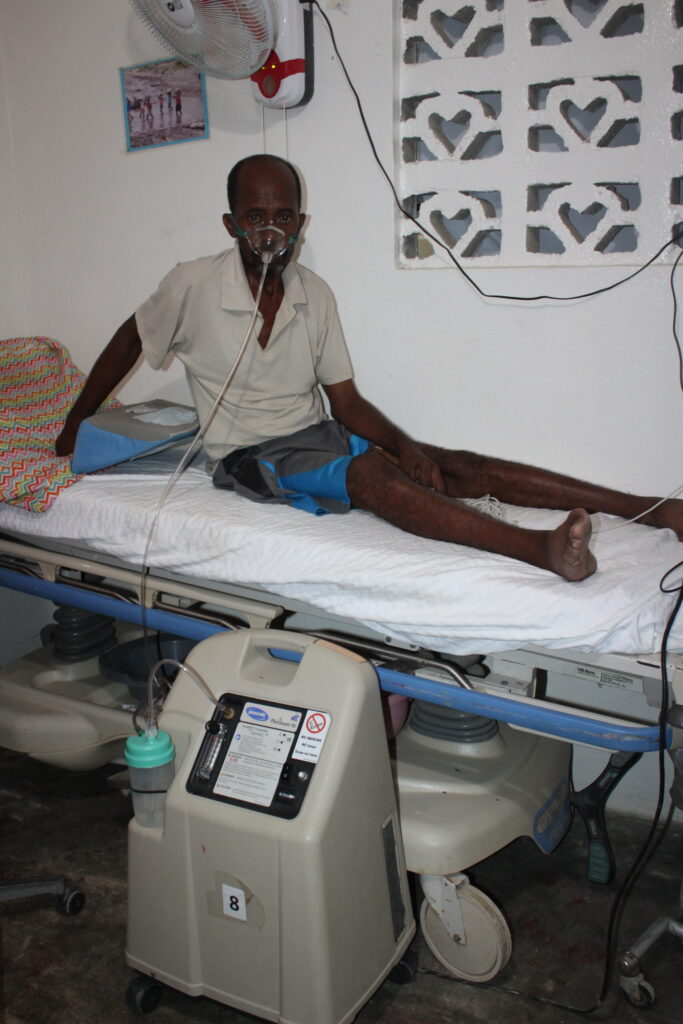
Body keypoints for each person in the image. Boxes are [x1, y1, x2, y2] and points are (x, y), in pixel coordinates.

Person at [55, 154, 683, 582]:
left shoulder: (314, 293)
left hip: (318, 434)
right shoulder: (192, 284)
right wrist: (76, 423)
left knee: (451, 464)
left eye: (283, 217)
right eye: (255, 217)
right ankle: (542, 551)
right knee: (369, 476)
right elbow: (129, 338)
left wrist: (409, 447)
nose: (270, 230)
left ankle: (651, 509)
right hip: (250, 456)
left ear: (300, 225)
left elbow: (346, 403)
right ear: (232, 224)